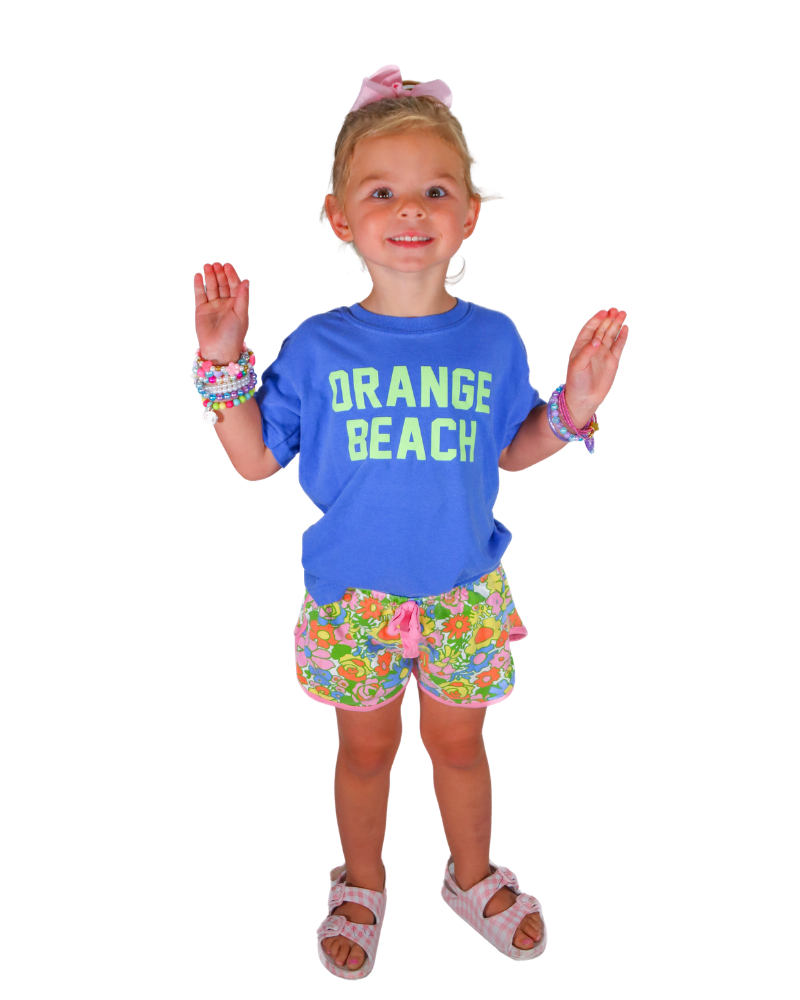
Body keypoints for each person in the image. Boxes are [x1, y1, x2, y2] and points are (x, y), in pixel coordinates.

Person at [191, 65, 628, 979]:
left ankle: (470, 876)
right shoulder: (317, 343)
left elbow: (510, 450)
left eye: (435, 188)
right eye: (381, 190)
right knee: (367, 748)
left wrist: (574, 406)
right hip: (352, 597)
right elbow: (253, 459)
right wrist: (222, 360)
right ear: (340, 219)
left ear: (469, 213)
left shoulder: (494, 336)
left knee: (460, 747)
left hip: (466, 591)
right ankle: (359, 877)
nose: (410, 208)